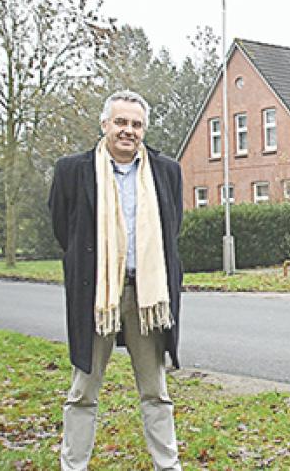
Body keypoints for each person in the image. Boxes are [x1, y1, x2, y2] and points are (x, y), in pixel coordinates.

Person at [49, 90, 184, 470]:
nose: (128, 131)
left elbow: (173, 230)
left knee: (156, 391)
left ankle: (167, 465)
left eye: (136, 124)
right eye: (121, 122)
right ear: (105, 124)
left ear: (144, 129)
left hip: (148, 297)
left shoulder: (166, 171)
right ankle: (73, 466)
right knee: (83, 392)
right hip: (97, 299)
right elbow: (63, 229)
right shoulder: (72, 171)